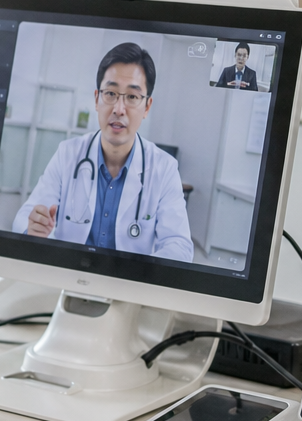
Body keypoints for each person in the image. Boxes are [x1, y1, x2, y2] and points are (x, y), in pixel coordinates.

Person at [10, 42, 192, 261]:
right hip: (70, 272)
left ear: (147, 107)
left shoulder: (165, 168)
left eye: (132, 97)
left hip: (128, 283)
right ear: (97, 99)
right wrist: (34, 227)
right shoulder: (68, 154)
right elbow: (25, 217)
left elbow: (179, 246)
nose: (119, 109)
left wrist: (142, 276)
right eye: (111, 93)